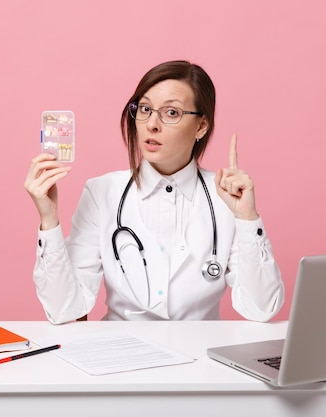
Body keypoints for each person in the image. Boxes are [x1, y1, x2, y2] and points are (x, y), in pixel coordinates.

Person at [24, 60, 284, 322]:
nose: (152, 124)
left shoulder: (227, 198)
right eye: (145, 109)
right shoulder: (101, 192)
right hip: (121, 355)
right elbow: (64, 310)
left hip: (199, 356)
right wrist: (49, 221)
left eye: (171, 113)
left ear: (201, 127)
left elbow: (262, 309)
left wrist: (248, 220)